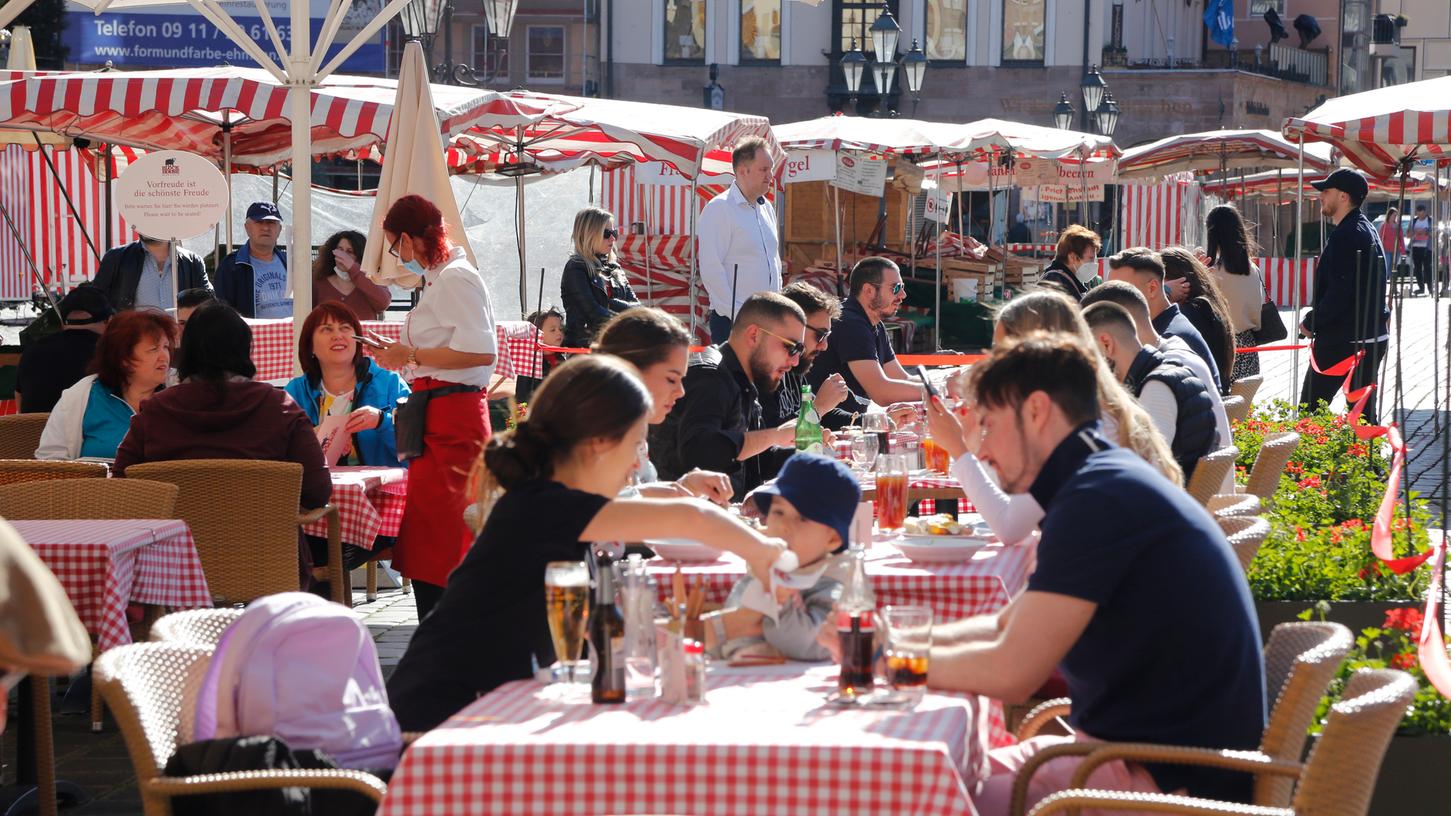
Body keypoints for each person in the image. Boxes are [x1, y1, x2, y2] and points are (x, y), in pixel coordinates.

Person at [912, 334, 1265, 815]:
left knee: (911, 797)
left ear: (1036, 411)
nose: (982, 448)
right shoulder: (1101, 478)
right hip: (1139, 759)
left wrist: (889, 664)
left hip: (1160, 783)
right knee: (924, 781)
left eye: (988, 424)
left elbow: (1014, 673)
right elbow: (1003, 626)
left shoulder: (1097, 497)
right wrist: (894, 644)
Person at [386, 355, 789, 731]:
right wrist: (766, 551)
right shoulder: (545, 504)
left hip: (480, 710)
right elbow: (690, 517)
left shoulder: (553, 502)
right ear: (598, 441)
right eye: (635, 445)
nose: (637, 463)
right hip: (433, 723)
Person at [922, 290, 1181, 545]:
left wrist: (960, 450)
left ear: (1039, 352)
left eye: (1003, 353)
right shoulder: (1094, 410)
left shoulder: (1086, 427)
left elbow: (1011, 526)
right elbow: (1020, 504)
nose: (994, 364)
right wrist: (974, 444)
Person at [113, 302, 331, 585]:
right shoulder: (279, 407)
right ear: (244, 349)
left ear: (187, 352)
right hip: (268, 563)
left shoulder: (155, 411)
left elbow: (122, 486)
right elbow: (318, 491)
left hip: (171, 569)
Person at [369, 194, 497, 619]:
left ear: (407, 239)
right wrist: (404, 354)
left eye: (394, 246)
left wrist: (408, 356)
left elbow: (481, 354)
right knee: (430, 533)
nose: (396, 256)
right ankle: (440, 629)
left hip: (454, 417)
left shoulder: (456, 278)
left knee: (448, 533)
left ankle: (452, 631)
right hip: (439, 415)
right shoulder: (443, 278)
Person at [703, 452, 858, 662]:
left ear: (832, 539)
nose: (784, 526)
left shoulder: (831, 584)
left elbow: (811, 642)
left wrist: (780, 602)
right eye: (778, 512)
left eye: (802, 518)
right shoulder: (763, 568)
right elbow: (730, 629)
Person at [650, 292, 804, 500]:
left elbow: (756, 464)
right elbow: (703, 452)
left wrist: (811, 455)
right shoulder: (710, 376)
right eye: (791, 347)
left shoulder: (740, 377)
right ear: (754, 335)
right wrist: (775, 435)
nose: (795, 361)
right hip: (685, 522)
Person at [593, 306, 732, 503]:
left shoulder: (632, 429)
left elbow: (636, 492)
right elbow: (586, 513)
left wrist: (685, 487)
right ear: (630, 370)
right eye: (671, 379)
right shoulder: (588, 435)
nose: (681, 392)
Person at [1082, 281, 1231, 457]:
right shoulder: (1166, 366)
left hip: (1192, 484)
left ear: (1106, 343)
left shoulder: (1156, 388)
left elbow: (1142, 472)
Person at [1300, 169, 1390, 424]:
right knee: (1362, 416)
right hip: (1369, 335)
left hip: (1347, 339)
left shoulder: (1346, 235)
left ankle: (1308, 463)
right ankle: (1366, 464)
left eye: (1326, 192)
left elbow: (1340, 293)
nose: (1320, 197)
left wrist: (1310, 322)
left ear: (1343, 196)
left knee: (1310, 411)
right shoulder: (1365, 228)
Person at [36, 309, 177, 461]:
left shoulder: (180, 391)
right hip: (95, 484)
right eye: (153, 349)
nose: (164, 356)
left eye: (165, 347)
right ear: (124, 358)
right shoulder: (82, 395)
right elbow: (49, 458)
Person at [284, 302, 410, 468]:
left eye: (345, 328)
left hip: (381, 492)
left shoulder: (390, 384)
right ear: (311, 346)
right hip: (315, 491)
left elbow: (415, 449)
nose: (338, 335)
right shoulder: (295, 392)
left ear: (358, 340)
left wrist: (382, 421)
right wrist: (308, 438)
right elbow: (276, 450)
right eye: (326, 329)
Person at [805, 257, 921, 416]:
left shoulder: (873, 324)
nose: (903, 294)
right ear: (869, 290)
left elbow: (901, 378)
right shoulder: (851, 323)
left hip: (844, 423)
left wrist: (941, 385)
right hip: (823, 426)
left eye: (902, 287)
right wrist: (940, 391)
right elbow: (882, 392)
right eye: (895, 288)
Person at [697, 137, 781, 343]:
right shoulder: (719, 208)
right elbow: (711, 270)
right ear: (743, 170)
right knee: (734, 376)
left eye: (771, 169)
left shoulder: (767, 208)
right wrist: (739, 315)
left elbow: (774, 262)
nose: (770, 176)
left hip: (768, 321)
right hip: (734, 323)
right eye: (764, 169)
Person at [1105, 247, 1222, 392]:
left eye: (1120, 291)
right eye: (1107, 290)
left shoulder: (1168, 337)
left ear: (1152, 288)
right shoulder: (1168, 326)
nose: (1109, 300)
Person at [764, 281, 851, 431]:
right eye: (820, 335)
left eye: (827, 336)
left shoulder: (795, 365)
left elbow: (826, 417)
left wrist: (873, 422)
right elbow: (770, 439)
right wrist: (818, 408)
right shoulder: (760, 372)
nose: (824, 346)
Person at [15, 286, 112, 414]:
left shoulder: (31, 351)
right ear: (108, 321)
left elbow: (20, 406)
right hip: (89, 433)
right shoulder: (112, 354)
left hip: (35, 433)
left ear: (62, 320)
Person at [560, 208, 638, 347]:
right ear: (590, 234)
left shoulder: (614, 267)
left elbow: (638, 306)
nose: (613, 238)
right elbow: (593, 312)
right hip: (586, 350)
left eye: (614, 232)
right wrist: (627, 321)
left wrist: (612, 304)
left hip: (616, 345)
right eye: (607, 233)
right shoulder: (576, 267)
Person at [1205, 204, 1267, 381]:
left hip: (1222, 348)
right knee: (1244, 406)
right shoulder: (1253, 268)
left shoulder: (1212, 273)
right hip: (1249, 347)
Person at [1160, 247, 1236, 391]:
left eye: (1160, 282)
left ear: (1181, 282)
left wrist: (1166, 292)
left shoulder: (1194, 311)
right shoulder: (1207, 304)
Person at [91, 235, 212, 312]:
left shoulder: (192, 262)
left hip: (182, 346)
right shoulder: (116, 258)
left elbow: (209, 305)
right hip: (133, 346)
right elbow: (96, 304)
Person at [214, 202, 291, 319]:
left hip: (293, 335)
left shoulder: (292, 262)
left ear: (279, 229)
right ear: (247, 228)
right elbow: (223, 312)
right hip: (251, 336)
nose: (265, 228)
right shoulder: (231, 266)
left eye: (271, 222)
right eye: (259, 222)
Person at [313, 230, 392, 320]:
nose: (343, 255)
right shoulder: (319, 282)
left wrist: (353, 269)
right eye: (340, 250)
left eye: (349, 252)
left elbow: (383, 303)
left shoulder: (371, 280)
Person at [1036, 225, 1100, 303]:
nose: (1094, 264)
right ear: (1072, 257)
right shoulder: (1056, 284)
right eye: (1091, 258)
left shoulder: (1066, 279)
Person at [1409, 203, 1433, 295]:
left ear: (1425, 212)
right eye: (1418, 214)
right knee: (1417, 269)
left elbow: (1435, 233)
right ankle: (1421, 288)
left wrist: (1426, 232)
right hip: (1416, 248)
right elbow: (1408, 234)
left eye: (1422, 214)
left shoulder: (1430, 221)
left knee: (1427, 269)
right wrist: (1415, 232)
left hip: (1427, 248)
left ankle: (1430, 288)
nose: (1420, 215)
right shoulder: (1414, 221)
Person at [1378, 205, 1405, 287]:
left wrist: (1403, 250)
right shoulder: (1384, 226)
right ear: (1389, 215)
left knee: (1394, 269)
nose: (1395, 217)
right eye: (1394, 215)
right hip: (1386, 250)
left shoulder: (1398, 226)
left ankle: (1393, 287)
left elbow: (1401, 239)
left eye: (1396, 215)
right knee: (1386, 268)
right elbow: (1380, 239)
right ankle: (1384, 286)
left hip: (1396, 251)